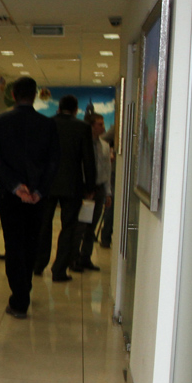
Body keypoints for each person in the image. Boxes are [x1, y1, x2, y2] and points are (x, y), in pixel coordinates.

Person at [0, 77, 61, 319]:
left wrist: (15, 186)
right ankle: (24, 288)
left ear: (13, 94)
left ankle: (19, 297)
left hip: (11, 195)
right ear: (35, 95)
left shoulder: (0, 121)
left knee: (13, 244)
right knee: (31, 242)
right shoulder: (47, 124)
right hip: (37, 196)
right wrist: (39, 190)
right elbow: (53, 162)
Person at [34, 94, 95, 282]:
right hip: (72, 184)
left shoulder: (46, 124)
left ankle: (38, 264)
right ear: (76, 110)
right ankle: (59, 269)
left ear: (59, 108)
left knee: (43, 225)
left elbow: (38, 156)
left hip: (46, 184)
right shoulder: (83, 127)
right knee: (68, 227)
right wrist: (90, 186)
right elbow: (88, 159)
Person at [73, 113, 113, 271]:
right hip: (86, 190)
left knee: (92, 226)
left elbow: (107, 169)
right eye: (99, 124)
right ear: (91, 126)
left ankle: (86, 257)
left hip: (99, 188)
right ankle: (74, 258)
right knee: (81, 226)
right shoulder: (82, 144)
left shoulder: (104, 145)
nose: (103, 127)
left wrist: (108, 192)